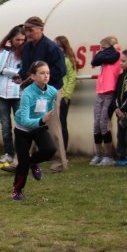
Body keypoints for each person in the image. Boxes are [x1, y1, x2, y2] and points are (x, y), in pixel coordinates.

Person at [11, 61, 58, 201]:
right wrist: (41, 120)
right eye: (42, 73)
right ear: (33, 76)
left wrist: (44, 119)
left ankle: (33, 162)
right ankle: (17, 190)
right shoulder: (27, 93)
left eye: (48, 73)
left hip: (38, 127)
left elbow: (50, 107)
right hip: (23, 129)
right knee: (23, 163)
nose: (46, 76)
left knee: (50, 150)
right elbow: (25, 120)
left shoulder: (52, 91)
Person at [0, 25, 27, 164]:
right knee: (5, 126)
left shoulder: (26, 52)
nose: (20, 42)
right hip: (1, 94)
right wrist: (6, 51)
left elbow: (23, 70)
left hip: (18, 93)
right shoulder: (2, 51)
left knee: (20, 124)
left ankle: (21, 152)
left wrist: (7, 71)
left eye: (23, 40)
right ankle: (8, 153)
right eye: (17, 39)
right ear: (10, 39)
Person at [90, 36, 122, 165]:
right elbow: (95, 61)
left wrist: (109, 50)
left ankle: (108, 155)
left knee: (104, 123)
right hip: (100, 92)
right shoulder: (104, 56)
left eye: (103, 48)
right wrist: (104, 51)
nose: (101, 51)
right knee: (96, 124)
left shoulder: (117, 54)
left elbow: (111, 57)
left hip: (110, 92)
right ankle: (98, 154)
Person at [18, 16, 66, 93]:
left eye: (31, 30)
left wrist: (39, 77)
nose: (28, 34)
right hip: (31, 90)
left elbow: (60, 71)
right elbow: (25, 68)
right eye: (26, 31)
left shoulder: (52, 48)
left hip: (50, 90)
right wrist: (20, 76)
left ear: (41, 29)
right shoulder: (26, 47)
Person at [51, 36, 77, 171]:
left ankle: (63, 151)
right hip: (54, 95)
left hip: (63, 95)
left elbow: (72, 78)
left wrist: (66, 95)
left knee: (62, 124)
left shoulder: (67, 60)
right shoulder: (55, 60)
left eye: (58, 46)